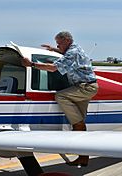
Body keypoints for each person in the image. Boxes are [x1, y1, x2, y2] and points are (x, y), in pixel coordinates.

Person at [22, 31, 98, 167]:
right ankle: (83, 157)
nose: (58, 46)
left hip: (84, 88)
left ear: (67, 40)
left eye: (59, 44)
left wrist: (31, 65)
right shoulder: (74, 49)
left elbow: (53, 68)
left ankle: (78, 127)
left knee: (61, 96)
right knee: (80, 124)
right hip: (85, 87)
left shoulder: (72, 52)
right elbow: (66, 54)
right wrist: (54, 50)